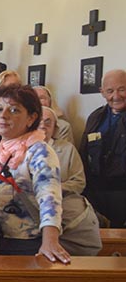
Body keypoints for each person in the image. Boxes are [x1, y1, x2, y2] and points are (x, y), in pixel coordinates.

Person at [0, 84, 95, 260]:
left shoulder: (39, 151)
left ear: (31, 118)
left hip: (26, 243)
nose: (3, 115)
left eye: (14, 110)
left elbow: (49, 198)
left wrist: (50, 241)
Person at [40, 107, 101, 255]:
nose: (43, 126)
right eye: (39, 121)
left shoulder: (67, 149)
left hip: (65, 209)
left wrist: (52, 189)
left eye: (48, 122)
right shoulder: (22, 149)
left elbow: (79, 182)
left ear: (55, 128)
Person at [82, 69, 126, 228]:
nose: (116, 96)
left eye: (122, 89)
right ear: (102, 92)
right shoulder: (95, 117)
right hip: (97, 191)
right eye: (110, 91)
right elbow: (84, 152)